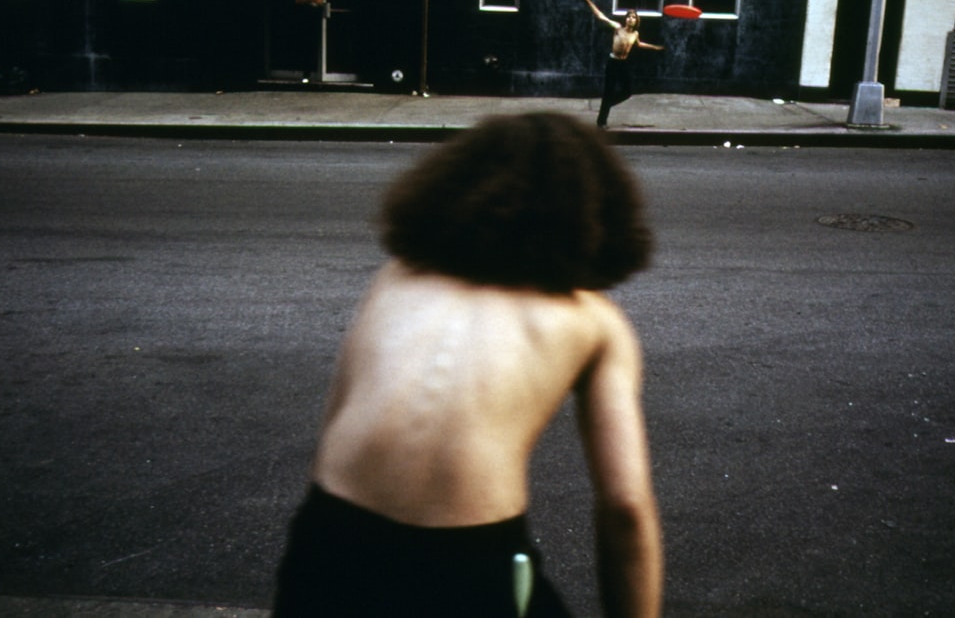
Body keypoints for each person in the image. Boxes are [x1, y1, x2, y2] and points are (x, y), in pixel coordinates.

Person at [273, 112, 663, 618]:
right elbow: (626, 509)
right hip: (468, 562)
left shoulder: (396, 278)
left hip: (332, 538)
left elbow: (334, 428)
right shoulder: (594, 323)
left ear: (458, 188)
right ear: (593, 213)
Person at [582, 0, 664, 128]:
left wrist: (654, 47)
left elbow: (638, 44)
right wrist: (589, 2)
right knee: (609, 91)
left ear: (636, 20)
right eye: (629, 17)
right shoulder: (618, 27)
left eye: (633, 17)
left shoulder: (635, 34)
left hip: (623, 63)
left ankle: (607, 104)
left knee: (627, 92)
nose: (630, 19)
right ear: (625, 19)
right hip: (613, 62)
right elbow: (601, 16)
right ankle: (601, 121)